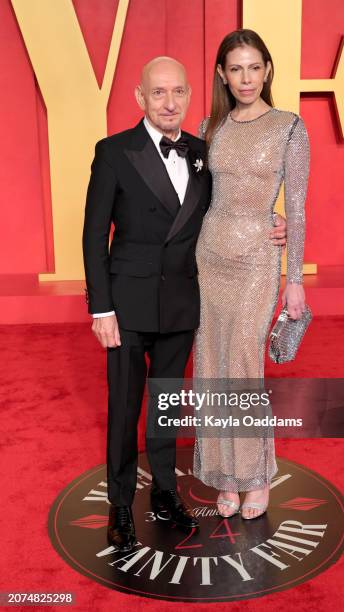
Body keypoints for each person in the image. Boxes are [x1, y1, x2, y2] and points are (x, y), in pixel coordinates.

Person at [83, 56, 287, 552]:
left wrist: (272, 224)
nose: (169, 102)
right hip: (127, 306)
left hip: (180, 303)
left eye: (178, 92)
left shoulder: (202, 151)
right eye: (158, 93)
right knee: (124, 407)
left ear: (190, 94)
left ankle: (167, 495)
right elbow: (93, 235)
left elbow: (230, 209)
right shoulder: (113, 151)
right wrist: (101, 310)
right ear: (139, 97)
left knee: (166, 408)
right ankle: (118, 506)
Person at [193, 29, 310, 520]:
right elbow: (193, 198)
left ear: (267, 71)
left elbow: (298, 210)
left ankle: (256, 476)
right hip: (208, 257)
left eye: (254, 67)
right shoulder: (209, 126)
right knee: (209, 367)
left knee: (242, 366)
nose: (245, 77)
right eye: (235, 68)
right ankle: (224, 476)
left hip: (258, 261)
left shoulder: (289, 127)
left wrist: (296, 278)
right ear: (222, 74)